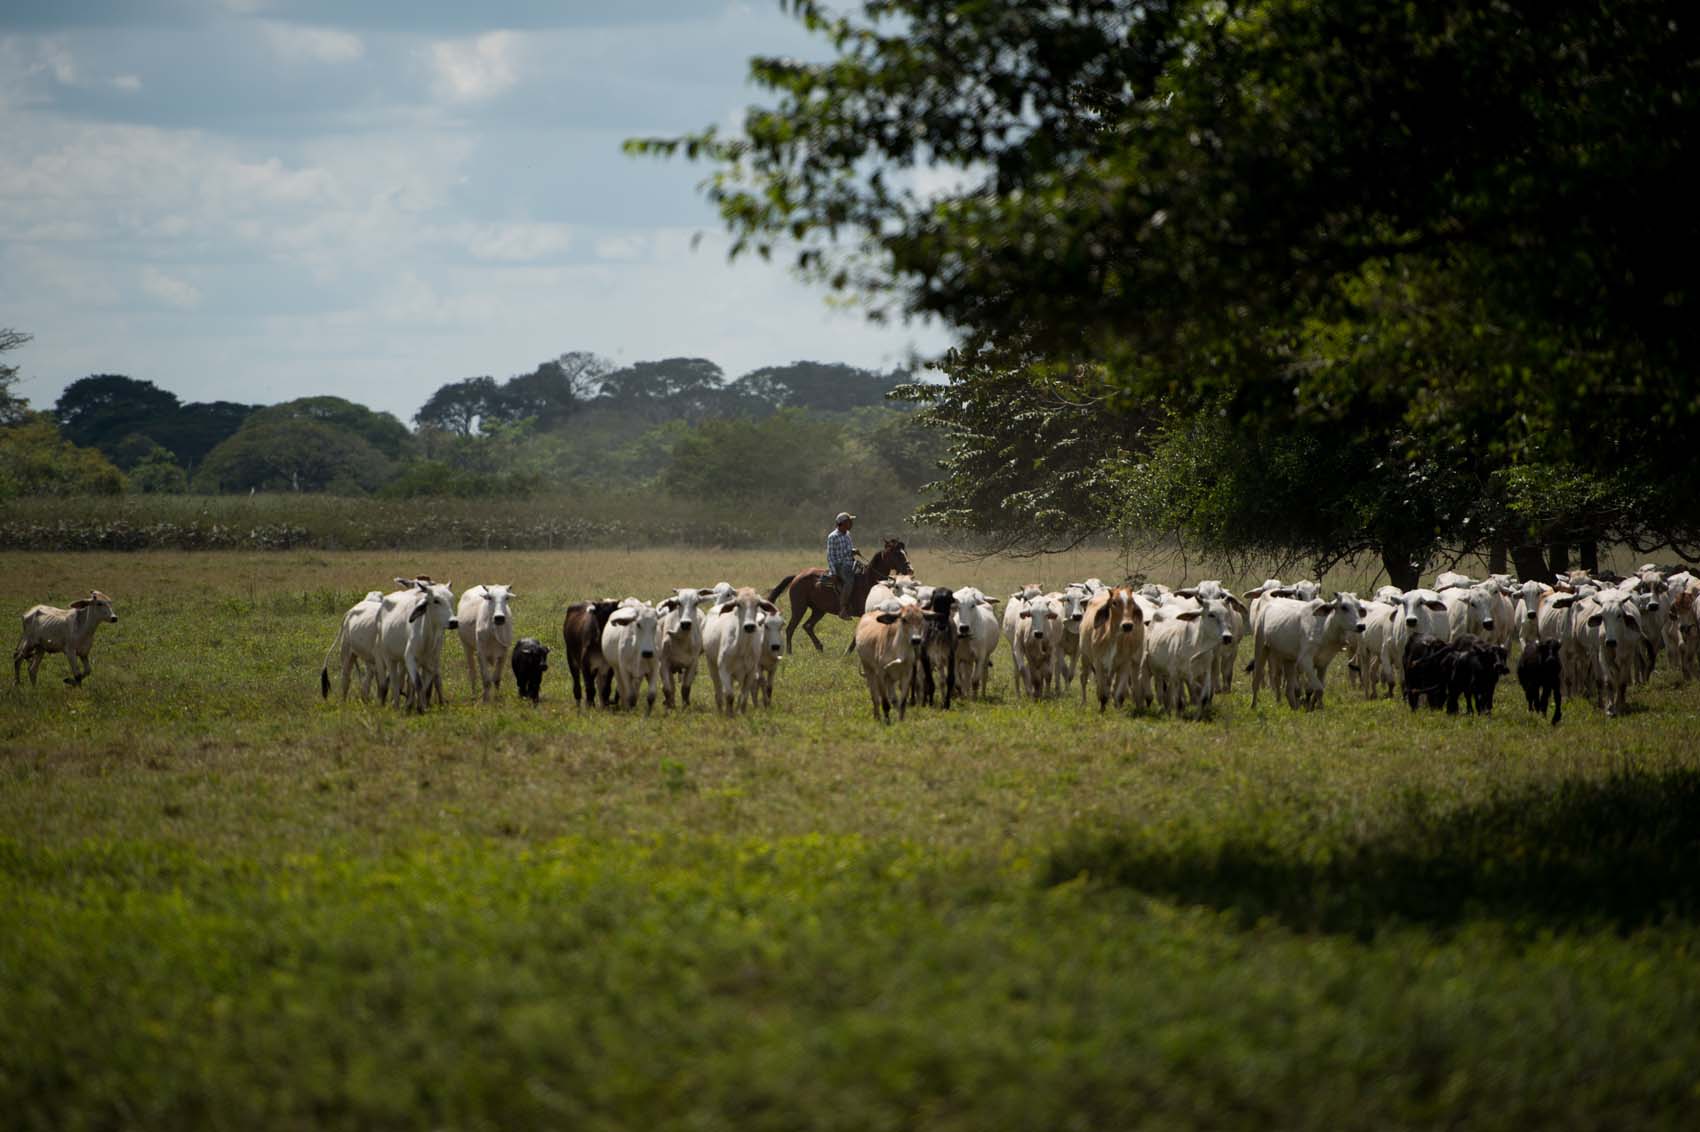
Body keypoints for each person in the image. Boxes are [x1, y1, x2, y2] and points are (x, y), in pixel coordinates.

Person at [826, 511, 862, 616]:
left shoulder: (847, 534)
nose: (851, 524)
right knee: (849, 581)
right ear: (842, 523)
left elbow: (849, 549)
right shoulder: (832, 537)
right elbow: (830, 556)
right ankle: (843, 608)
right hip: (840, 565)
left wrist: (853, 550)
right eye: (849, 522)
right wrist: (833, 572)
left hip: (850, 562)